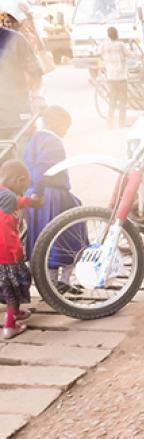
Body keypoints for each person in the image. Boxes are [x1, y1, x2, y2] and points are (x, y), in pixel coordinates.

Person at [23, 105, 84, 261]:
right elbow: (43, 167)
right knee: (72, 227)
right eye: (65, 127)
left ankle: (46, 273)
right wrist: (39, 191)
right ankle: (62, 276)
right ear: (57, 123)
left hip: (33, 192)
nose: (65, 132)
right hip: (49, 194)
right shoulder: (52, 141)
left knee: (40, 236)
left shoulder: (34, 139)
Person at [0, 160, 43, 339]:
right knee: (13, 291)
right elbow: (28, 202)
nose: (24, 190)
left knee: (10, 287)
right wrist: (17, 252)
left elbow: (20, 203)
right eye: (25, 185)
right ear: (19, 180)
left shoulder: (3, 193)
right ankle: (10, 326)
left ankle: (16, 313)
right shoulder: (8, 197)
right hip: (6, 254)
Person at [0, 13, 43, 140]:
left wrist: (36, 97)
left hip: (17, 121)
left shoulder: (15, 40)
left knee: (22, 156)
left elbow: (36, 74)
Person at [100, 26, 131, 128]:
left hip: (110, 76)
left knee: (112, 101)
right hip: (121, 76)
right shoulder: (121, 45)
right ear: (117, 34)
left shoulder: (104, 45)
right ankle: (122, 123)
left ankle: (110, 123)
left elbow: (100, 54)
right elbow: (128, 54)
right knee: (122, 101)